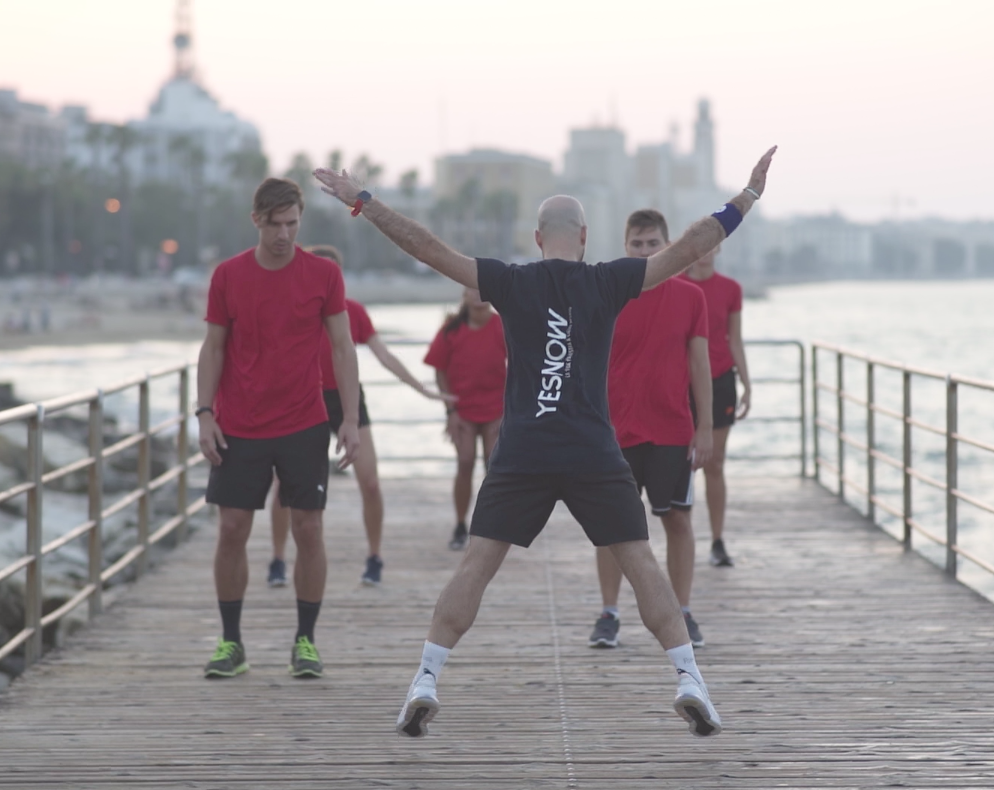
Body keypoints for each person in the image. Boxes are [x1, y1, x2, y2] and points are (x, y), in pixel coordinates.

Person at [314, 143, 774, 739]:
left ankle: (425, 678)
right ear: (584, 238)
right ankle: (690, 680)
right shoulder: (612, 280)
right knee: (639, 560)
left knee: (477, 565)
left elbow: (426, 247)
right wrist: (748, 197)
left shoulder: (508, 281)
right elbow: (690, 246)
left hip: (524, 450)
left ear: (537, 239)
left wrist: (363, 202)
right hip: (592, 449)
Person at [196, 177, 361, 681]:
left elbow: (342, 347)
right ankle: (231, 643)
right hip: (239, 424)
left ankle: (305, 641)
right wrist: (204, 413)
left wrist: (350, 419)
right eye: (276, 225)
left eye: (293, 224)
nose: (286, 235)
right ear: (257, 221)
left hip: (303, 422)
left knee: (308, 529)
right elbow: (214, 347)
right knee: (231, 530)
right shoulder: (228, 276)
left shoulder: (324, 275)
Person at [265, 244, 451, 589]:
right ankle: (277, 559)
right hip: (301, 400)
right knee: (284, 488)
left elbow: (383, 355)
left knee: (371, 482)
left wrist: (422, 390)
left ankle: (374, 557)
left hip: (347, 399)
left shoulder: (352, 312)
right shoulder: (289, 310)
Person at [591, 209, 713, 651]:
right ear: (625, 248)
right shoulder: (607, 294)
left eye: (653, 244)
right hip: (613, 433)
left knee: (677, 519)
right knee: (611, 528)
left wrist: (706, 429)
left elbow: (700, 365)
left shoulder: (690, 297)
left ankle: (682, 611)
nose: (645, 252)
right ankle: (609, 613)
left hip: (672, 429)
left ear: (669, 247)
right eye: (637, 245)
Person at [423, 288, 507, 550]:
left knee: (494, 466)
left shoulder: (502, 325)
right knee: (465, 461)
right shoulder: (451, 329)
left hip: (496, 409)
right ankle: (460, 524)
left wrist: (509, 413)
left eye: (483, 288)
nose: (478, 294)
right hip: (462, 410)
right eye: (472, 289)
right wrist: (450, 411)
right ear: (464, 295)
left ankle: (492, 527)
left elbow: (520, 364)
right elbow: (439, 370)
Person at [685, 245, 751, 568]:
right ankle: (682, 542)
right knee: (681, 466)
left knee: (715, 464)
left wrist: (747, 384)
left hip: (722, 380)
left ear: (720, 248)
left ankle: (717, 540)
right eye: (701, 247)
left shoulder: (731, 289)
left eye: (712, 247)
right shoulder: (679, 285)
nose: (705, 253)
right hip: (683, 383)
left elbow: (735, 339)